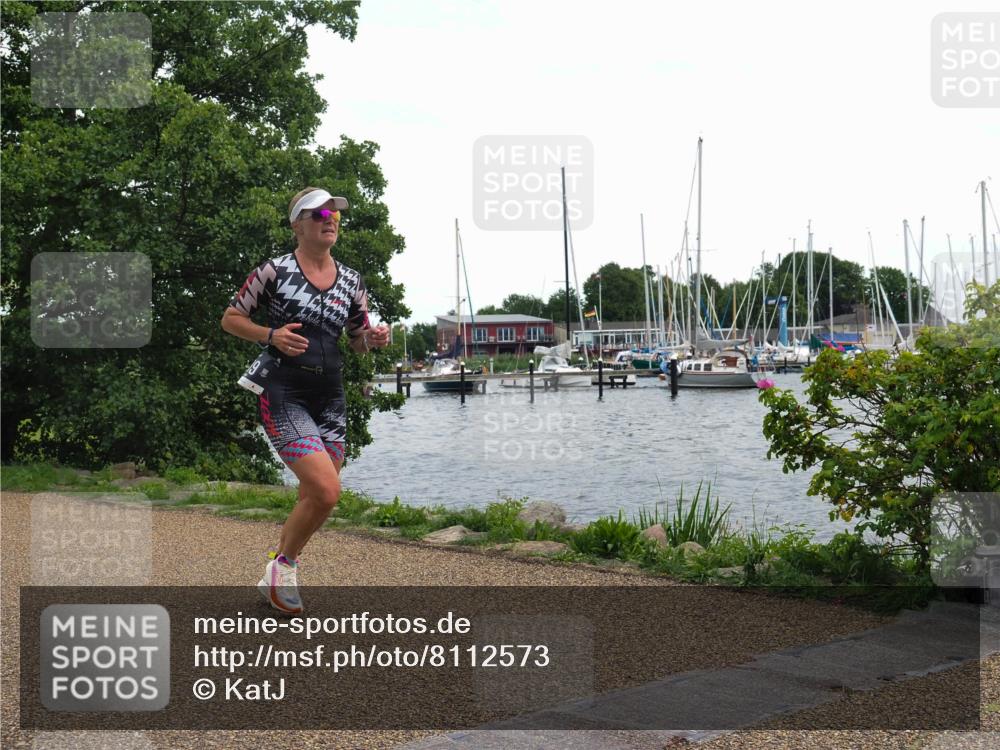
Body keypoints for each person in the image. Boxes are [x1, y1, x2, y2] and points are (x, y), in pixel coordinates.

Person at [221, 187, 390, 614]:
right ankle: (285, 566)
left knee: (313, 495)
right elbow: (231, 319)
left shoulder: (351, 280)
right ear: (298, 224)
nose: (329, 218)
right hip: (283, 391)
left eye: (333, 213)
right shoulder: (274, 272)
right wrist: (270, 334)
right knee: (327, 491)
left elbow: (356, 342)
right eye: (318, 213)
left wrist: (372, 338)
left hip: (330, 396)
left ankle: (273, 576)